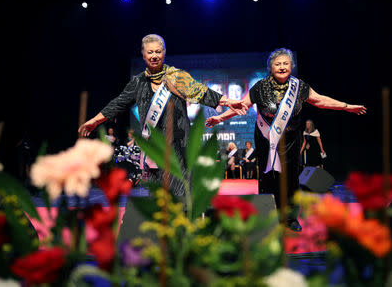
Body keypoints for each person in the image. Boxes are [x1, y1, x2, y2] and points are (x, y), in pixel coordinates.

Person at [206, 48, 366, 231]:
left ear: (291, 66)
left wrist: (345, 107)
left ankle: (290, 218)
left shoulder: (300, 87)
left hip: (290, 142)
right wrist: (219, 118)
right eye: (277, 64)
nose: (282, 67)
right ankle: (267, 216)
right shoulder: (260, 87)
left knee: (290, 179)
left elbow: (320, 100)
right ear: (270, 67)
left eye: (285, 63)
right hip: (266, 141)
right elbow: (240, 106)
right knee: (268, 178)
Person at [79, 34, 248, 196]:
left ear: (164, 53)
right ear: (143, 55)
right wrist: (95, 120)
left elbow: (201, 92)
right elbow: (118, 103)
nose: (154, 56)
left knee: (181, 194)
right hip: (153, 147)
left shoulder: (176, 77)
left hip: (179, 145)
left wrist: (228, 101)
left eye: (158, 51)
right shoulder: (138, 82)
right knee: (157, 197)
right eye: (150, 52)